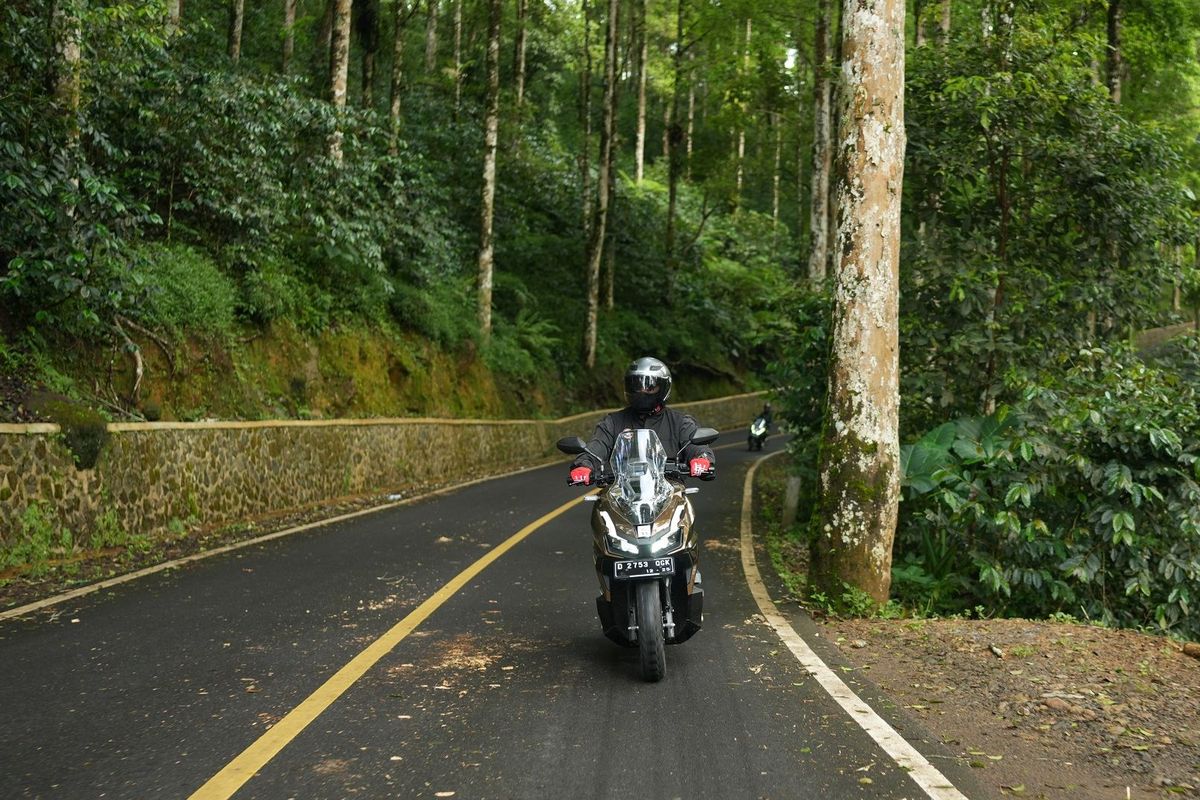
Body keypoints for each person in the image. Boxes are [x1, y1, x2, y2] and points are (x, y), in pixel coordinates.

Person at [569, 357, 716, 485]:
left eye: (650, 387)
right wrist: (584, 465)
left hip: (670, 494)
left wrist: (701, 459)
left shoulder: (680, 423)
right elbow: (596, 447)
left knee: (684, 514)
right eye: (636, 387)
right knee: (600, 512)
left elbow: (697, 448)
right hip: (621, 495)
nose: (642, 392)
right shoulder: (612, 422)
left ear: (664, 388)